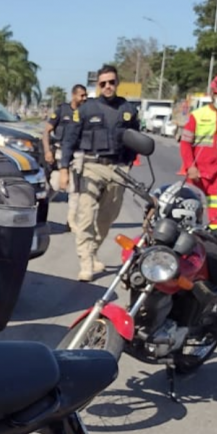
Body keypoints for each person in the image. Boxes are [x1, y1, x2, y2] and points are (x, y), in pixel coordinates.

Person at [58, 65, 140, 282]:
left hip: (118, 170)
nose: (107, 87)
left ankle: (93, 250)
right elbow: (69, 140)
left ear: (117, 83)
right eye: (103, 83)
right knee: (86, 214)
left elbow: (136, 139)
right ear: (97, 85)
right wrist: (64, 168)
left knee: (107, 218)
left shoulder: (128, 109)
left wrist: (129, 164)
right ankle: (85, 261)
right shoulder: (86, 110)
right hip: (91, 166)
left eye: (111, 82)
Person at [179, 73, 217, 228]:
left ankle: (214, 247)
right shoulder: (197, 116)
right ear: (213, 93)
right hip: (197, 173)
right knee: (189, 211)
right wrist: (190, 166)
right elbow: (185, 144)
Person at [43, 83, 88, 205]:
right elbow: (47, 131)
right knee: (55, 185)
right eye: (81, 95)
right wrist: (47, 151)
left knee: (75, 190)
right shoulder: (62, 110)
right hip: (60, 152)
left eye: (86, 96)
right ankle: (41, 212)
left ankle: (71, 222)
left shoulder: (85, 113)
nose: (84, 98)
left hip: (78, 153)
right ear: (73, 95)